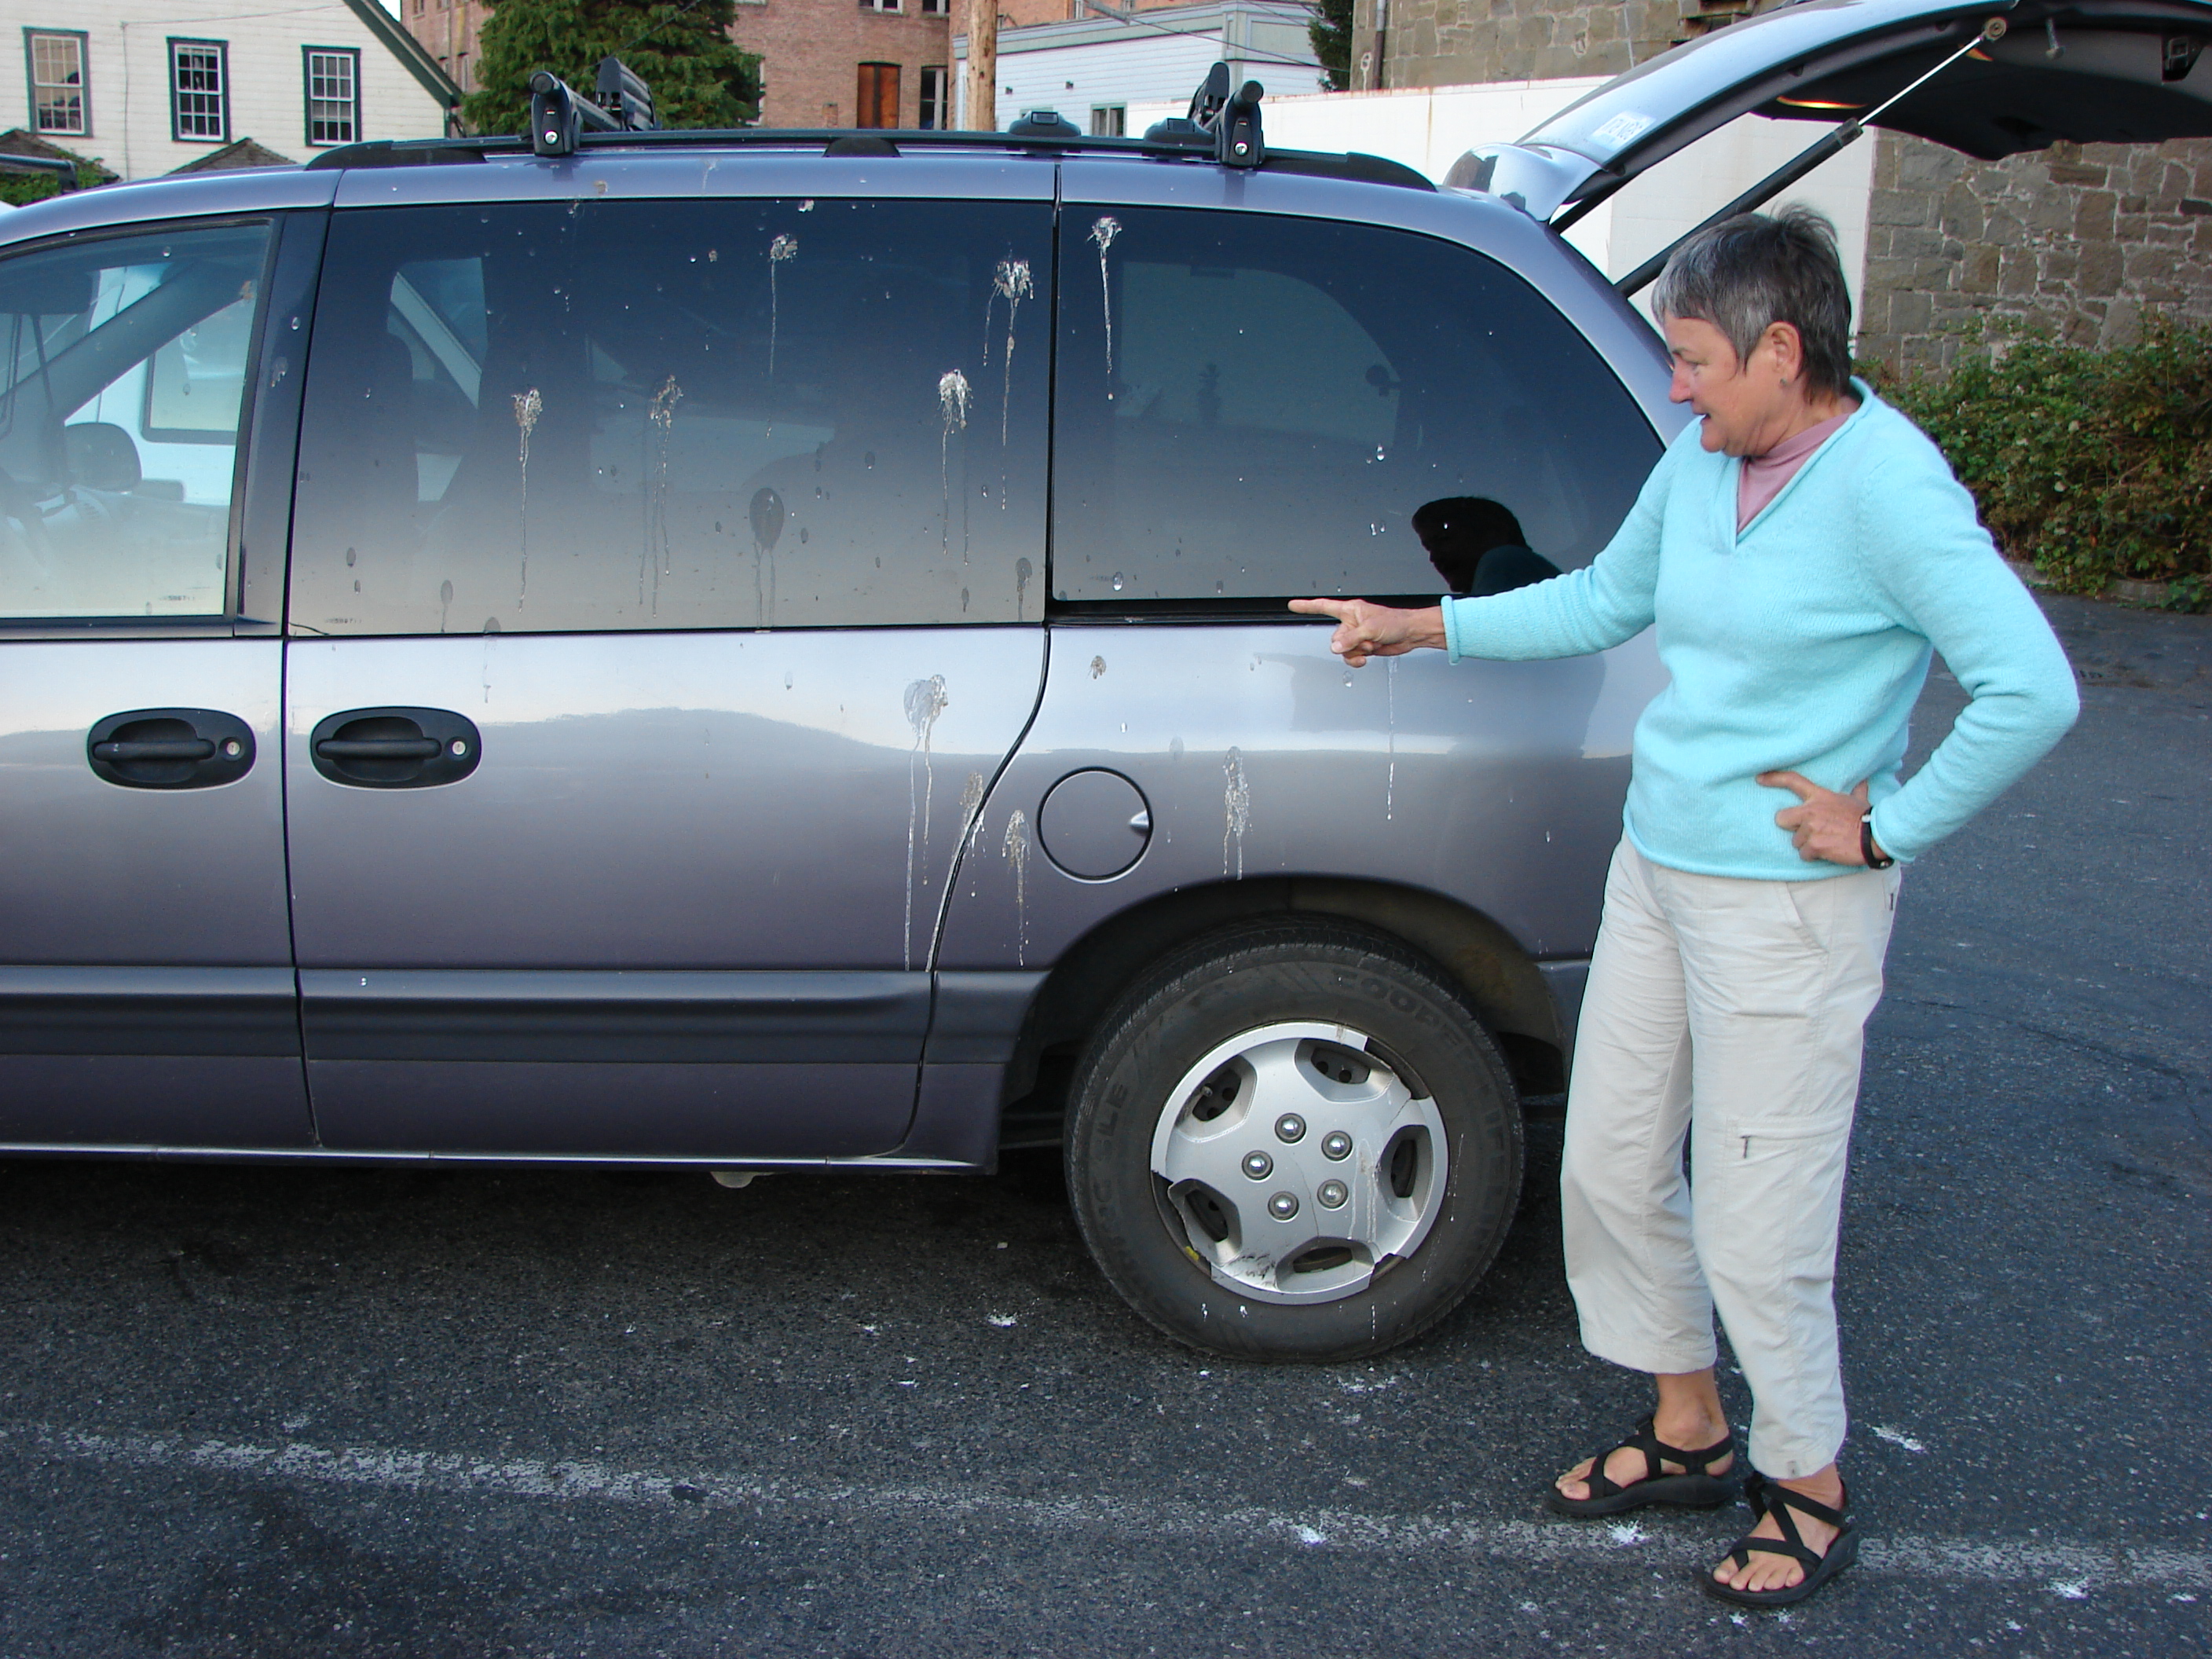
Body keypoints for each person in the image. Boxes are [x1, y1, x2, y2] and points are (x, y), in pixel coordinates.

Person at [1291, 207, 2078, 1610]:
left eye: (1694, 359)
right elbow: (1604, 599)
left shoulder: (1889, 488)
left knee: (1761, 1217)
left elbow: (2034, 688)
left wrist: (1885, 824)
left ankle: (1808, 1484)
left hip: (1789, 903)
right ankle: (1690, 1428)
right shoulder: (1705, 460)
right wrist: (1420, 627)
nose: (1674, 385)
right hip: (1656, 866)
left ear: (1783, 350)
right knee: (1605, 1168)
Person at [1412, 496, 1561, 596]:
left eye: (1444, 539)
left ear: (1494, 534)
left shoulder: (1505, 560)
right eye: (1429, 548)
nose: (1434, 557)